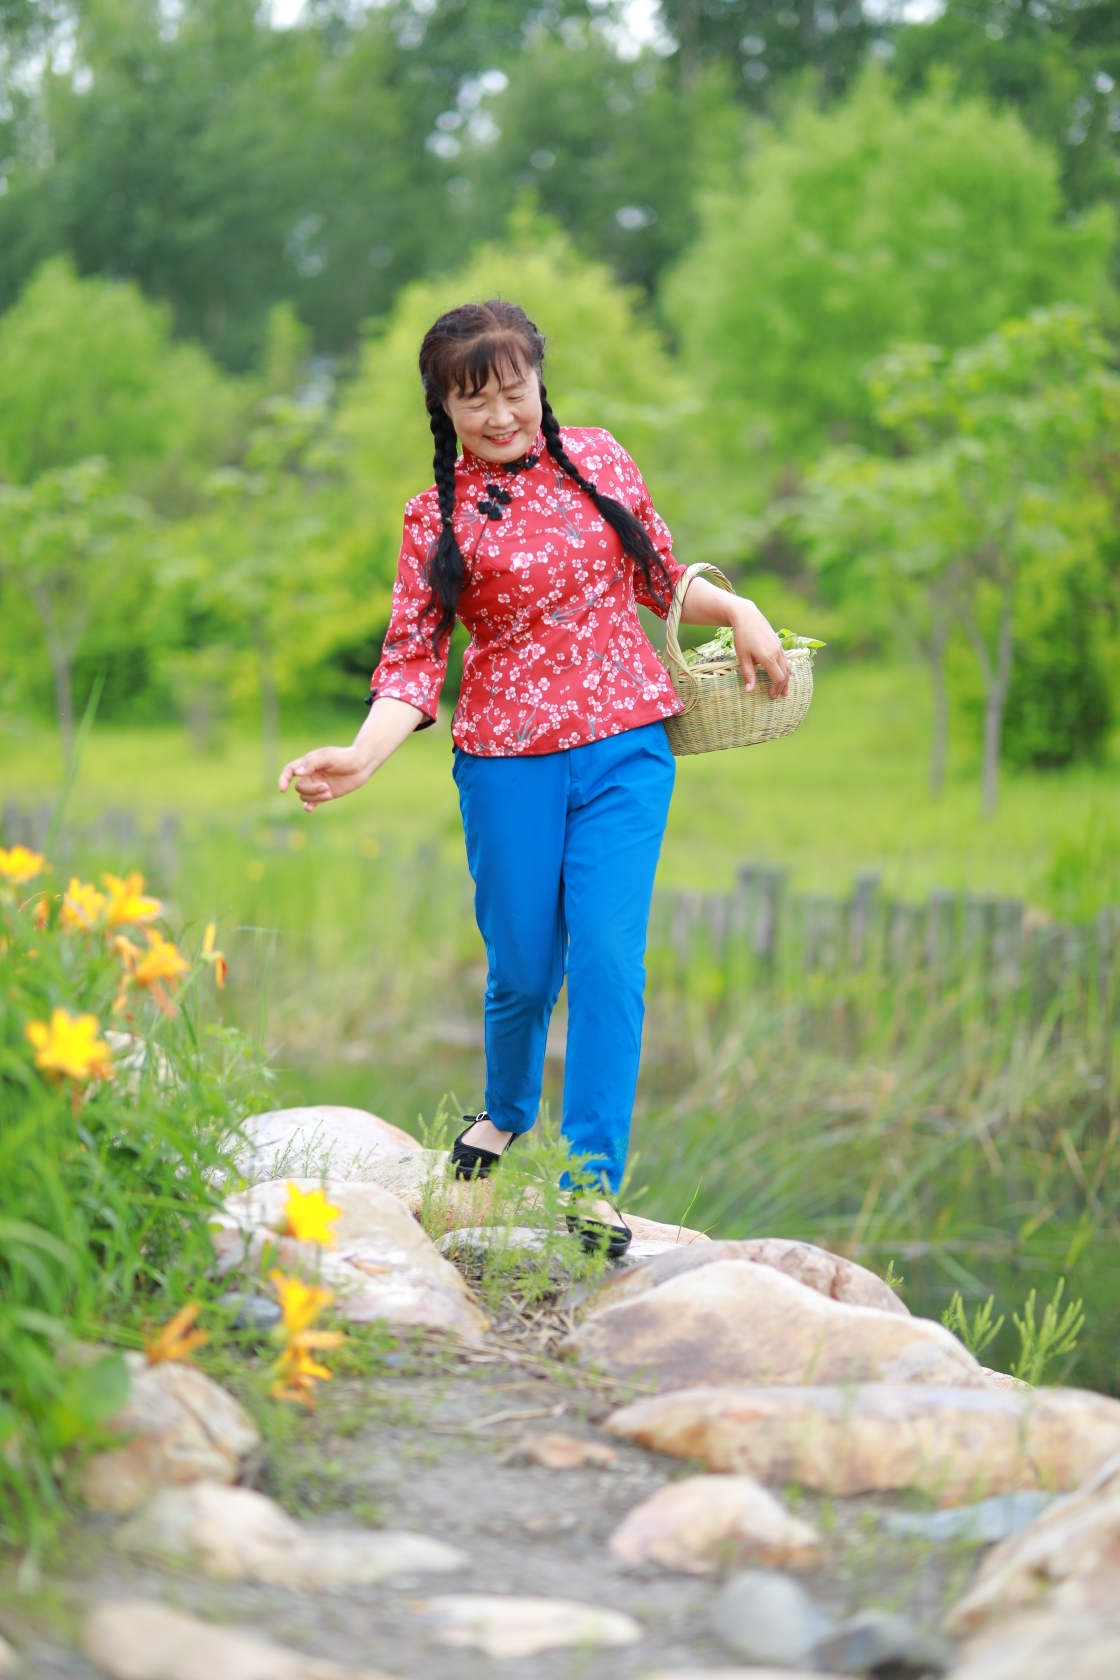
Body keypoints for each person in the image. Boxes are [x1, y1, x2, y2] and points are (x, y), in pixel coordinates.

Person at [280, 300, 790, 1257]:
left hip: (627, 749)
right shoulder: (433, 516)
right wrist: (361, 757)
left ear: (539, 381)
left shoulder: (599, 457)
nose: (501, 414)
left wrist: (740, 607)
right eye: (475, 400)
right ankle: (506, 1109)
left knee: (606, 961)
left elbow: (662, 574)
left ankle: (590, 1181)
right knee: (522, 968)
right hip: (506, 762)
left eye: (513, 389)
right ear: (443, 408)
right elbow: (410, 660)